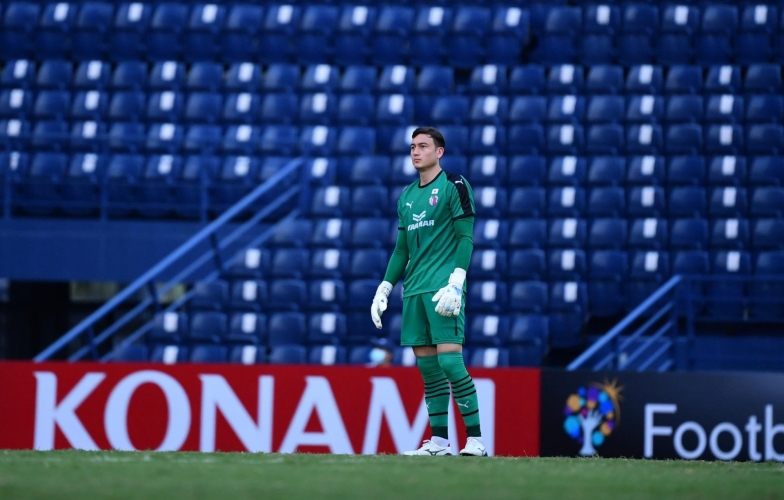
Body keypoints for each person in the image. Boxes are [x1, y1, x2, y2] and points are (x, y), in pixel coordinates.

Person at [370, 126, 486, 457]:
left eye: (423, 146)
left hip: (443, 290)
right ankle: (438, 441)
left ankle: (476, 439)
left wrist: (457, 281)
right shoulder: (406, 196)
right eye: (412, 147)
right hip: (414, 291)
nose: (416, 151)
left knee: (450, 362)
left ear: (439, 152)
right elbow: (401, 250)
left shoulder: (455, 185)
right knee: (429, 371)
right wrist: (385, 287)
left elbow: (466, 237)